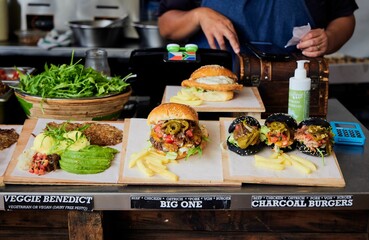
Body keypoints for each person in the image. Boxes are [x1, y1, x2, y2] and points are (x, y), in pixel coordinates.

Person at [158, 0, 358, 58]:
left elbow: (344, 17)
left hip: (294, 95)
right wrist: (197, 15)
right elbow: (166, 26)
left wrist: (330, 38)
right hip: (210, 94)